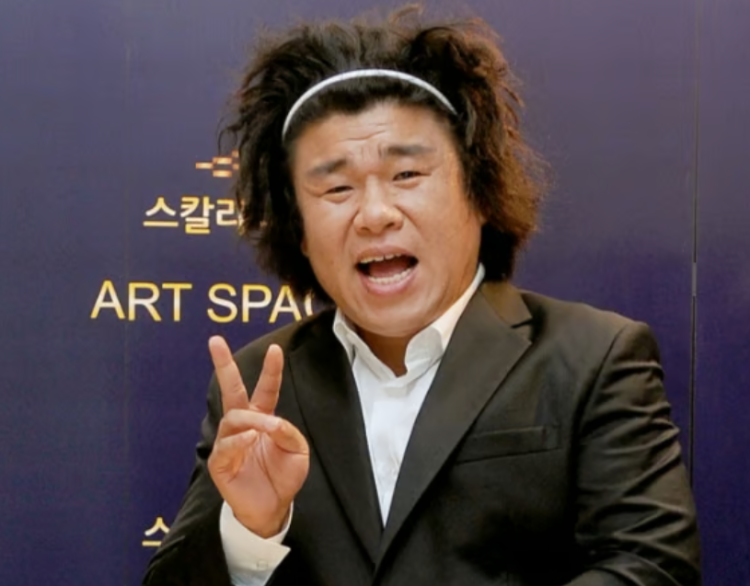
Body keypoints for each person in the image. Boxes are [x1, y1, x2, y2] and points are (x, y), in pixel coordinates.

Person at [143, 6, 701, 586]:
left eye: (406, 176)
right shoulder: (261, 384)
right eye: (337, 188)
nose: (375, 214)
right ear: (299, 231)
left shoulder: (592, 357)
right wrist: (249, 530)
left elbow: (653, 567)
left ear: (479, 193)